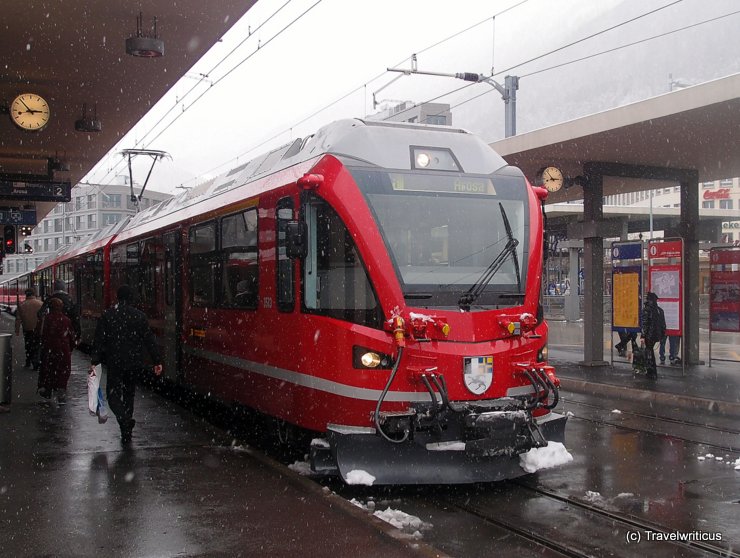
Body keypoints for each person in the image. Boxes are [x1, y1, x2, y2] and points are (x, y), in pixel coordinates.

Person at [90, 285, 163, 444]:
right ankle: (126, 427)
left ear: (118, 298)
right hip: (134, 361)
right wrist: (157, 360)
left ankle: (124, 421)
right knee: (129, 393)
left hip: (115, 362)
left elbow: (99, 341)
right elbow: (149, 340)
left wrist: (95, 361)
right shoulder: (139, 316)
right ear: (131, 299)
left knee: (113, 395)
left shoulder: (108, 315)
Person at [37, 297, 77, 402]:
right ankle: (61, 390)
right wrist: (70, 347)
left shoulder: (47, 318)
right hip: (64, 349)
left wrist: (45, 347)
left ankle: (48, 390)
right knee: (63, 370)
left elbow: (43, 335)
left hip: (50, 349)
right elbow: (71, 336)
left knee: (49, 369)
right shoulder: (66, 320)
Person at [37, 279, 81, 344]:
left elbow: (40, 314)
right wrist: (78, 334)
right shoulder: (69, 299)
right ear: (64, 288)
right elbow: (75, 317)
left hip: (51, 335)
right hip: (65, 333)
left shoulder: (49, 299)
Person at [15, 288, 43, 369]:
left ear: (26, 295)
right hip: (38, 329)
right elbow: (43, 317)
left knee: (28, 345)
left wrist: (17, 330)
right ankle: (36, 362)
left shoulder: (22, 305)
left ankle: (28, 361)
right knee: (37, 346)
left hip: (27, 329)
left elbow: (18, 319)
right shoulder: (40, 304)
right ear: (34, 294)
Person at [641, 291, 666, 380]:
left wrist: (643, 336)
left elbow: (644, 324)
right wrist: (662, 335)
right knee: (650, 352)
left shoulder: (647, 310)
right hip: (657, 335)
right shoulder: (660, 310)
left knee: (649, 353)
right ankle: (653, 371)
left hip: (649, 335)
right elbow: (663, 325)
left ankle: (651, 372)